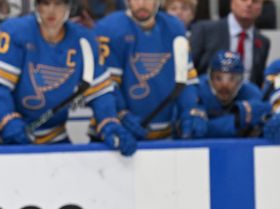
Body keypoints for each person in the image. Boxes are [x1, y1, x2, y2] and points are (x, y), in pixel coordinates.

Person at [0, 0, 136, 154]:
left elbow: (100, 92)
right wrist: (8, 119)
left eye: (58, 4)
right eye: (46, 3)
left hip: (56, 141)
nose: (51, 10)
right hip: (8, 141)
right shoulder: (15, 31)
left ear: (68, 7)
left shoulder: (84, 40)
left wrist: (109, 122)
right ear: (37, 6)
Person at [95, 0, 207, 140]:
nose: (142, 3)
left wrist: (190, 109)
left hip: (166, 134)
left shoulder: (174, 27)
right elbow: (105, 85)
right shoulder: (109, 28)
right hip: (118, 134)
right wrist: (120, 113)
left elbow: (186, 78)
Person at [190, 0, 271, 87]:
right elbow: (190, 69)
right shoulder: (204, 30)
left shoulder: (263, 42)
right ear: (232, 2)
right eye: (243, 0)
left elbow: (257, 81)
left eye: (255, 1)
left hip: (244, 98)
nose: (249, 4)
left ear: (261, 6)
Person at [198, 50, 271, 138]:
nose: (224, 86)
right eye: (218, 78)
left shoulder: (251, 92)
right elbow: (195, 129)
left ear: (241, 80)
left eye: (232, 79)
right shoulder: (198, 89)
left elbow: (265, 118)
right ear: (210, 77)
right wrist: (238, 121)